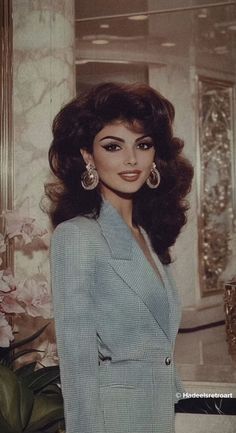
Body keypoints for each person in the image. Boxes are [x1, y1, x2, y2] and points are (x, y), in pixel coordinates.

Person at [46, 82, 194, 433]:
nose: (131, 159)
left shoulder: (146, 234)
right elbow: (78, 362)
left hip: (157, 415)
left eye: (143, 145)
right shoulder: (76, 237)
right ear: (87, 155)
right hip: (114, 420)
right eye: (113, 146)